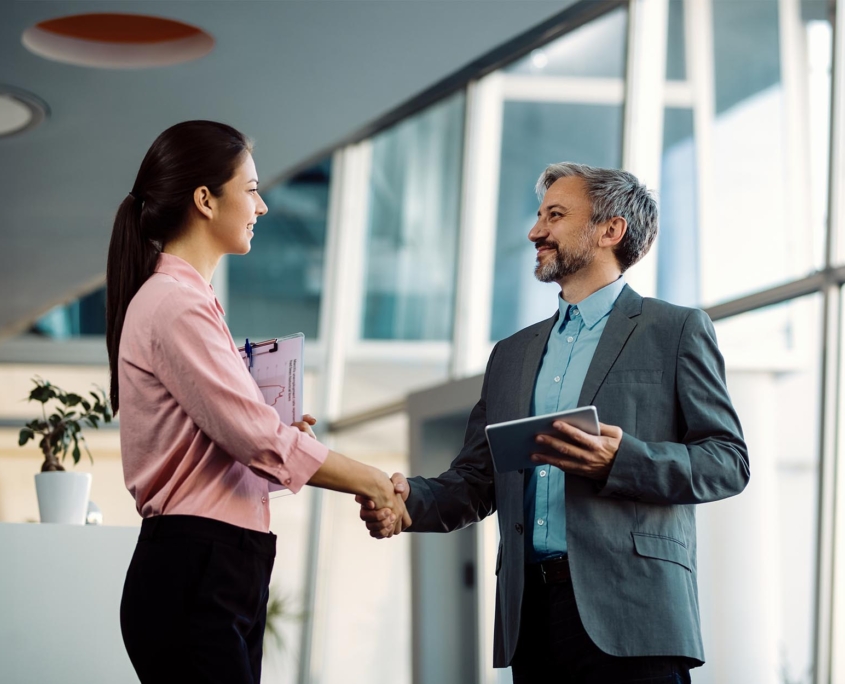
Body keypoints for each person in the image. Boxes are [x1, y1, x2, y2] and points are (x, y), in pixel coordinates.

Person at [358, 163, 749, 683]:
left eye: (555, 215)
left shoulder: (674, 330)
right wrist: (410, 505)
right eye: (539, 215)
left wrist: (621, 459)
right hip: (532, 618)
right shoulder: (511, 355)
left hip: (635, 616)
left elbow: (727, 461)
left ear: (611, 230)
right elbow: (477, 479)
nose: (535, 231)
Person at [105, 120, 409, 684]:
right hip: (197, 566)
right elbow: (258, 441)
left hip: (216, 564)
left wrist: (282, 434)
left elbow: (244, 444)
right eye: (250, 189)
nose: (262, 206)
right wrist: (371, 482)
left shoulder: (188, 301)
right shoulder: (175, 305)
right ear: (204, 199)